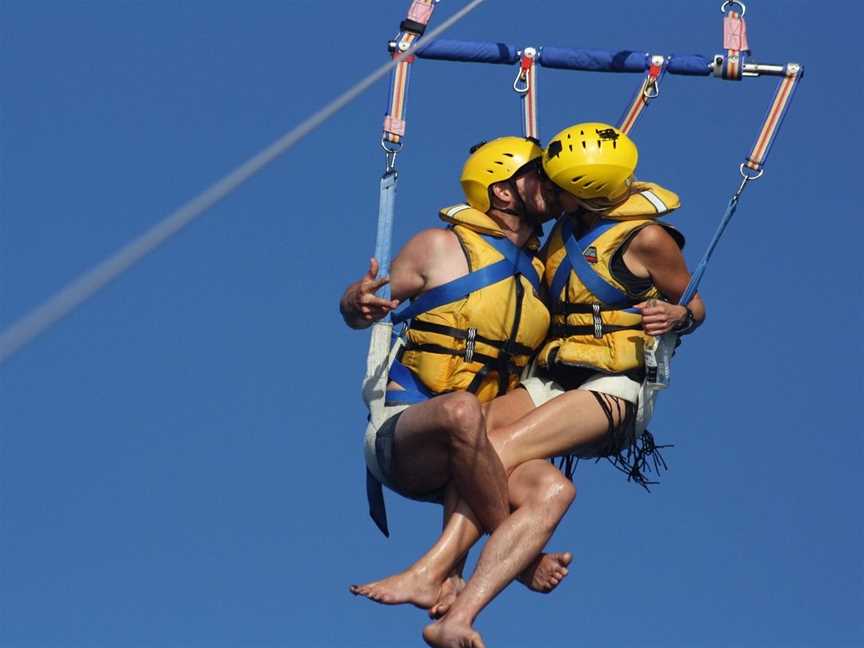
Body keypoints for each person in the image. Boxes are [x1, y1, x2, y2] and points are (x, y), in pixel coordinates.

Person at [360, 123, 707, 648]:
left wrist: (675, 316)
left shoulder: (648, 237)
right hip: (553, 377)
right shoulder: (561, 232)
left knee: (495, 449)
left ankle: (436, 570)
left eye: (556, 181)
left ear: (582, 191)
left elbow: (695, 304)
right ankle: (457, 617)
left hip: (614, 384)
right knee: (493, 450)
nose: (548, 184)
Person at [340, 137, 576, 611]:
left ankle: (443, 580)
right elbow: (360, 306)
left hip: (481, 454)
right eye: (539, 175)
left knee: (555, 488)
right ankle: (520, 561)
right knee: (463, 410)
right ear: (504, 192)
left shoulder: (544, 273)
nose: (553, 184)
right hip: (407, 436)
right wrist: (356, 301)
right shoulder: (437, 246)